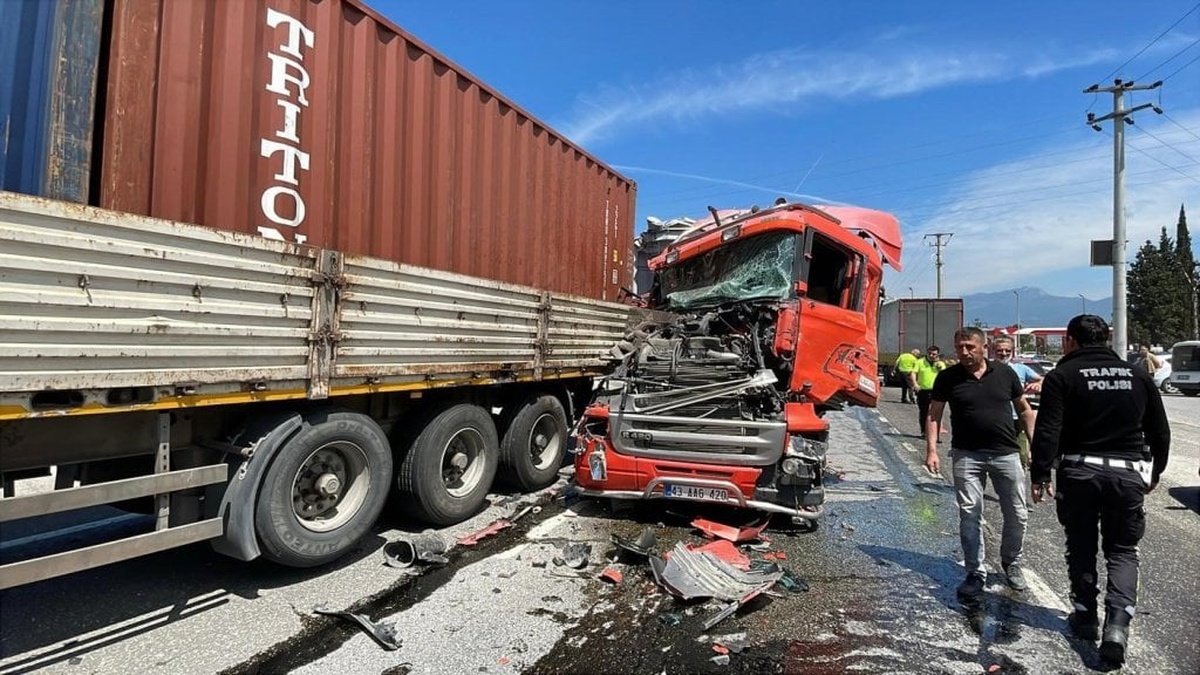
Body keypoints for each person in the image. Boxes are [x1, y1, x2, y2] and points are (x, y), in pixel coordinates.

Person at [1030, 315, 1170, 666]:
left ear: (1070, 341)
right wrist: (1156, 471)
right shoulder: (1137, 375)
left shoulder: (1062, 376)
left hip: (1079, 471)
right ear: (1107, 339)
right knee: (1123, 550)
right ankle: (1118, 626)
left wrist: (1040, 474)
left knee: (1081, 545)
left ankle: (1086, 615)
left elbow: (1048, 430)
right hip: (1126, 474)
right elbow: (1160, 430)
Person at [924, 327, 1035, 600]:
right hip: (966, 455)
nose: (964, 352)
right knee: (970, 514)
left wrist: (1035, 446)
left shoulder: (1005, 373)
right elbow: (934, 414)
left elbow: (1023, 409)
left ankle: (1011, 562)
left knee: (1017, 513)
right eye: (960, 347)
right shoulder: (948, 377)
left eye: (970, 347)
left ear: (984, 347)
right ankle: (975, 571)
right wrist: (931, 450)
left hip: (1006, 454)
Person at [993, 336, 1043, 469]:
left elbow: (1042, 379)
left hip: (1017, 418)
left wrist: (1038, 384)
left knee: (1020, 453)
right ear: (993, 351)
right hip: (995, 418)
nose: (1004, 354)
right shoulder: (986, 369)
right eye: (1000, 351)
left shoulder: (1021, 369)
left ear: (1013, 351)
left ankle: (1021, 472)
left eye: (1007, 351)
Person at [911, 346, 945, 439]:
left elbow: (944, 376)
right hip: (923, 390)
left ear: (937, 354)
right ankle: (924, 432)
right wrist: (915, 383)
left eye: (934, 354)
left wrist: (939, 367)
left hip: (936, 391)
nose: (931, 355)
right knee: (924, 412)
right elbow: (913, 373)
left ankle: (935, 435)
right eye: (929, 353)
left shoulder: (940, 364)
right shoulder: (920, 362)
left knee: (936, 413)